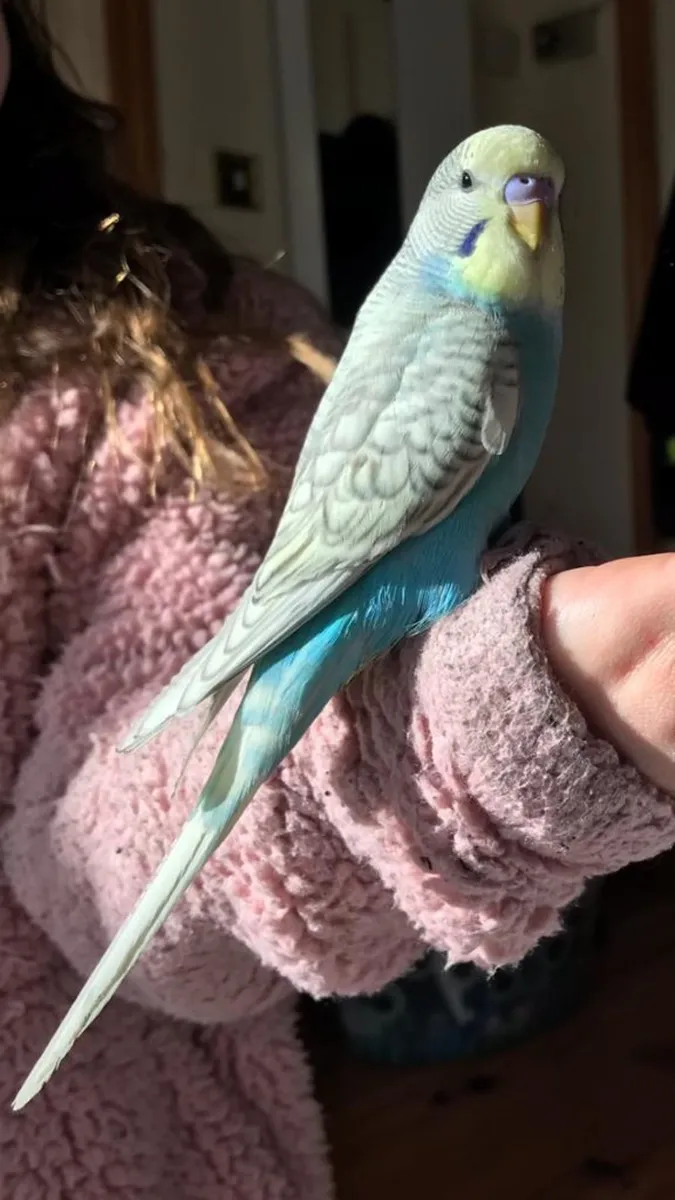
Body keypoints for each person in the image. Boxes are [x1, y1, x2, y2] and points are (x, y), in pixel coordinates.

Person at [0, 2, 674, 1196]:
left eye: (543, 194)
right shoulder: (451, 338)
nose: (523, 207)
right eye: (488, 182)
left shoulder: (246, 366)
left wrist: (509, 701)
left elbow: (101, 827)